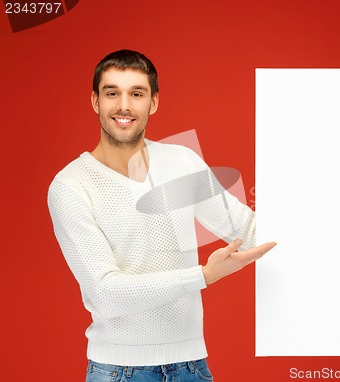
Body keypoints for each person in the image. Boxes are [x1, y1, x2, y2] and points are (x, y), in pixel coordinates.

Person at [47, 49, 275, 382]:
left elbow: (247, 227)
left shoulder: (181, 161)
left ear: (153, 103)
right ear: (96, 101)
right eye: (112, 93)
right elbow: (107, 294)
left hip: (192, 366)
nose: (124, 105)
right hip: (117, 372)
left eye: (136, 94)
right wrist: (204, 275)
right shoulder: (70, 185)